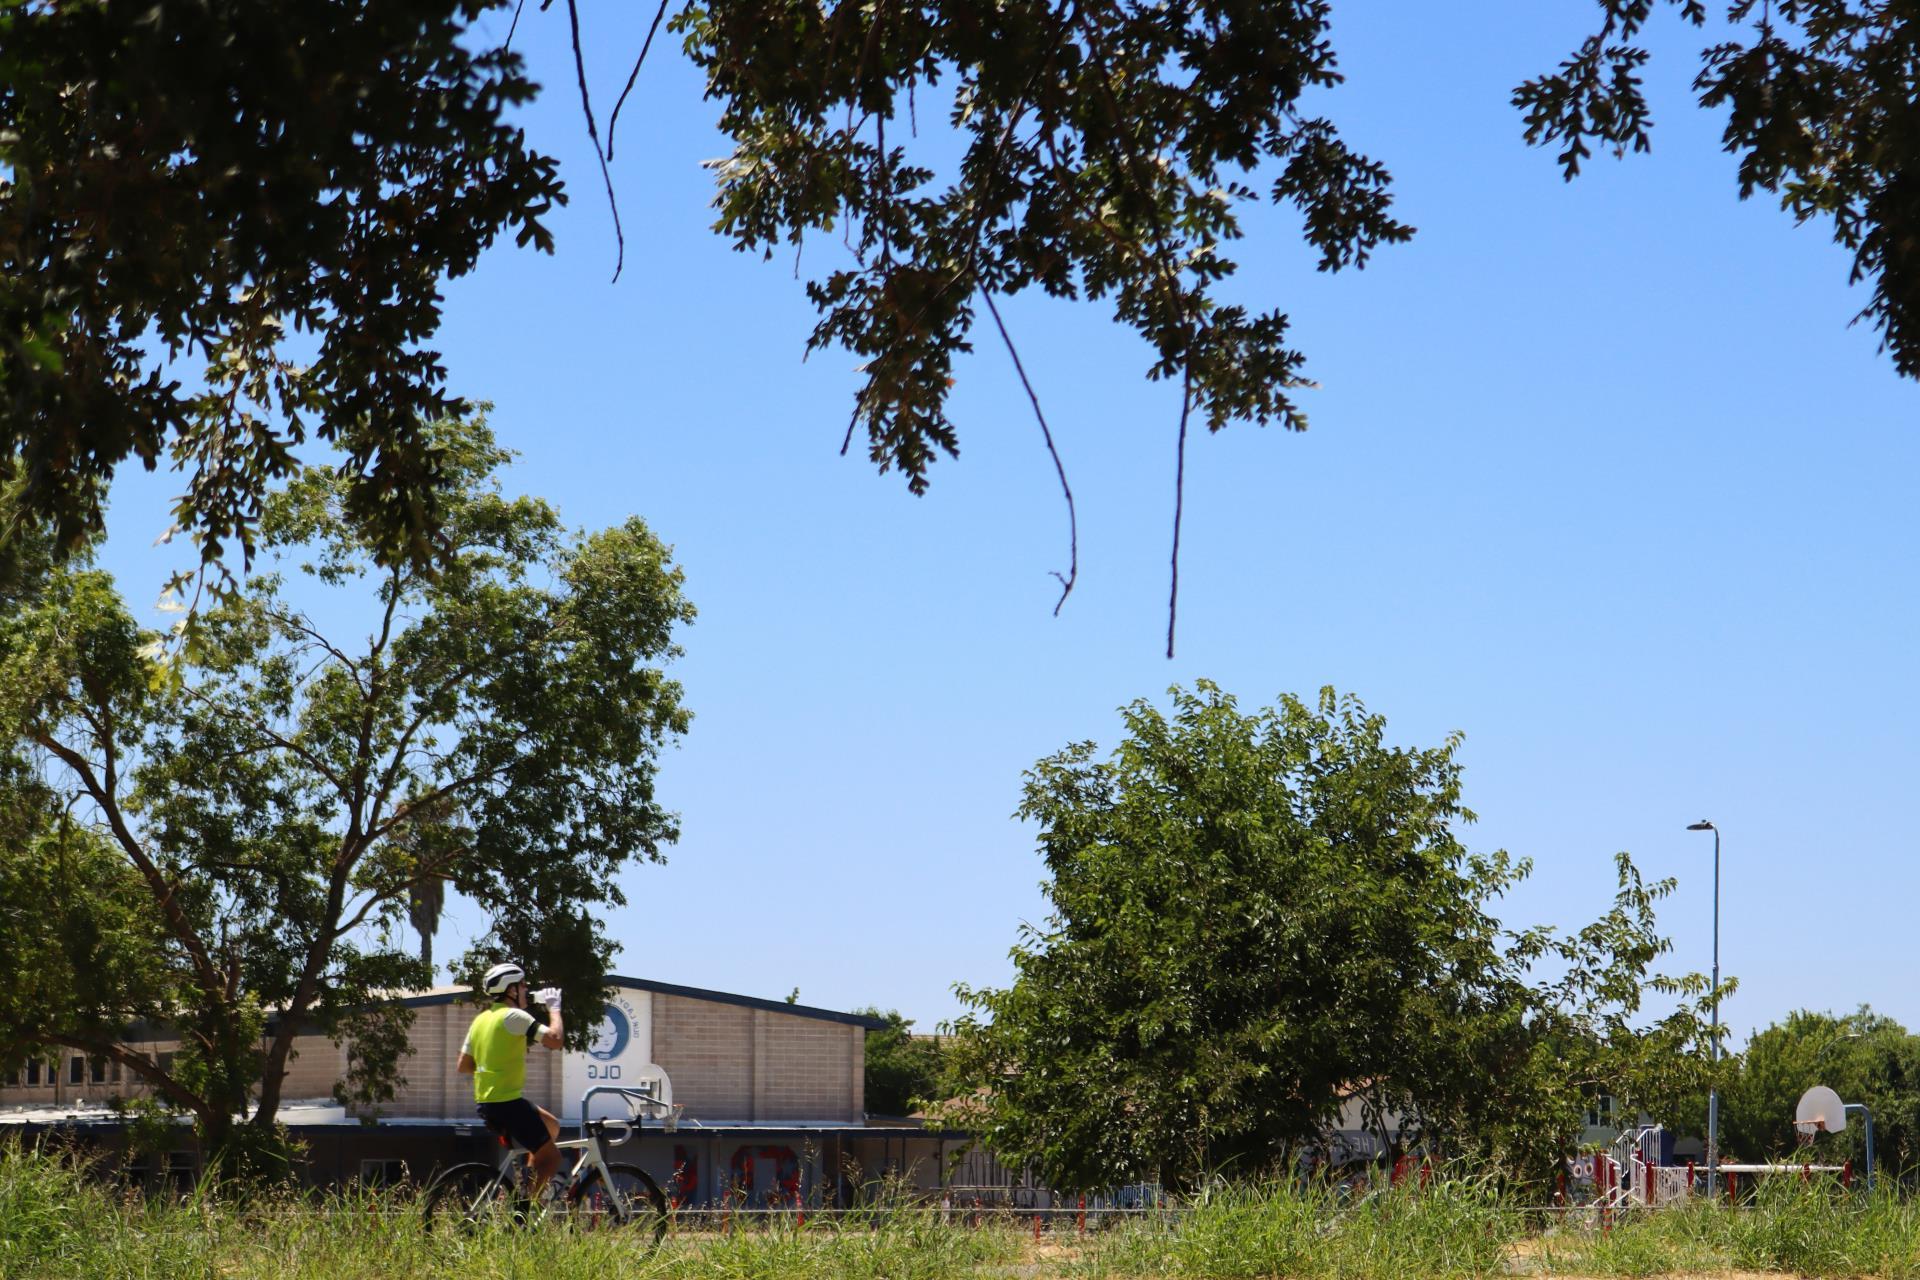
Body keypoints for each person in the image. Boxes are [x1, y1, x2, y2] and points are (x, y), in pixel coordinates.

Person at [458, 962, 565, 1201]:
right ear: (512, 990)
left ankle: (527, 1182)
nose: (526, 989)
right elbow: (555, 1040)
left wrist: (493, 1063)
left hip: (488, 1103)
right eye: (523, 985)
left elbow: (463, 1065)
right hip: (508, 1103)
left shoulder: (481, 1020)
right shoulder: (514, 1016)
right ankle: (526, 1213)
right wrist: (554, 1008)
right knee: (553, 1159)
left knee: (552, 1126)